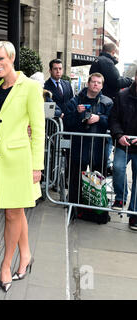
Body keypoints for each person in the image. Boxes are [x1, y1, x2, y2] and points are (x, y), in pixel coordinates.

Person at [0, 41, 45, 292]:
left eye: (1, 59)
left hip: (19, 161)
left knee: (11, 214)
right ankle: (26, 255)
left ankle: (6, 264)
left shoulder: (30, 87)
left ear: (12, 58)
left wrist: (36, 166)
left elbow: (38, 129)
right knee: (15, 213)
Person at [64, 73, 112, 214]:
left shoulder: (107, 102)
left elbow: (113, 121)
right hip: (79, 146)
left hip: (99, 147)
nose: (95, 84)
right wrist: (79, 115)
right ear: (88, 83)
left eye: (98, 82)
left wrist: (99, 118)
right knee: (75, 179)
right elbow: (68, 123)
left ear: (102, 85)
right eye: (93, 82)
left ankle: (97, 211)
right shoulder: (75, 101)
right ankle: (74, 208)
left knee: (99, 180)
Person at [90, 43, 133, 176]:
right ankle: (105, 166)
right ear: (113, 52)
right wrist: (130, 80)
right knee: (106, 142)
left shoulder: (97, 61)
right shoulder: (107, 62)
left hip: (99, 104)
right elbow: (117, 81)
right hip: (106, 104)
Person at [109, 69, 137, 231]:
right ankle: (120, 198)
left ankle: (134, 214)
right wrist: (119, 135)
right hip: (122, 143)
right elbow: (114, 119)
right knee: (118, 169)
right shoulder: (122, 95)